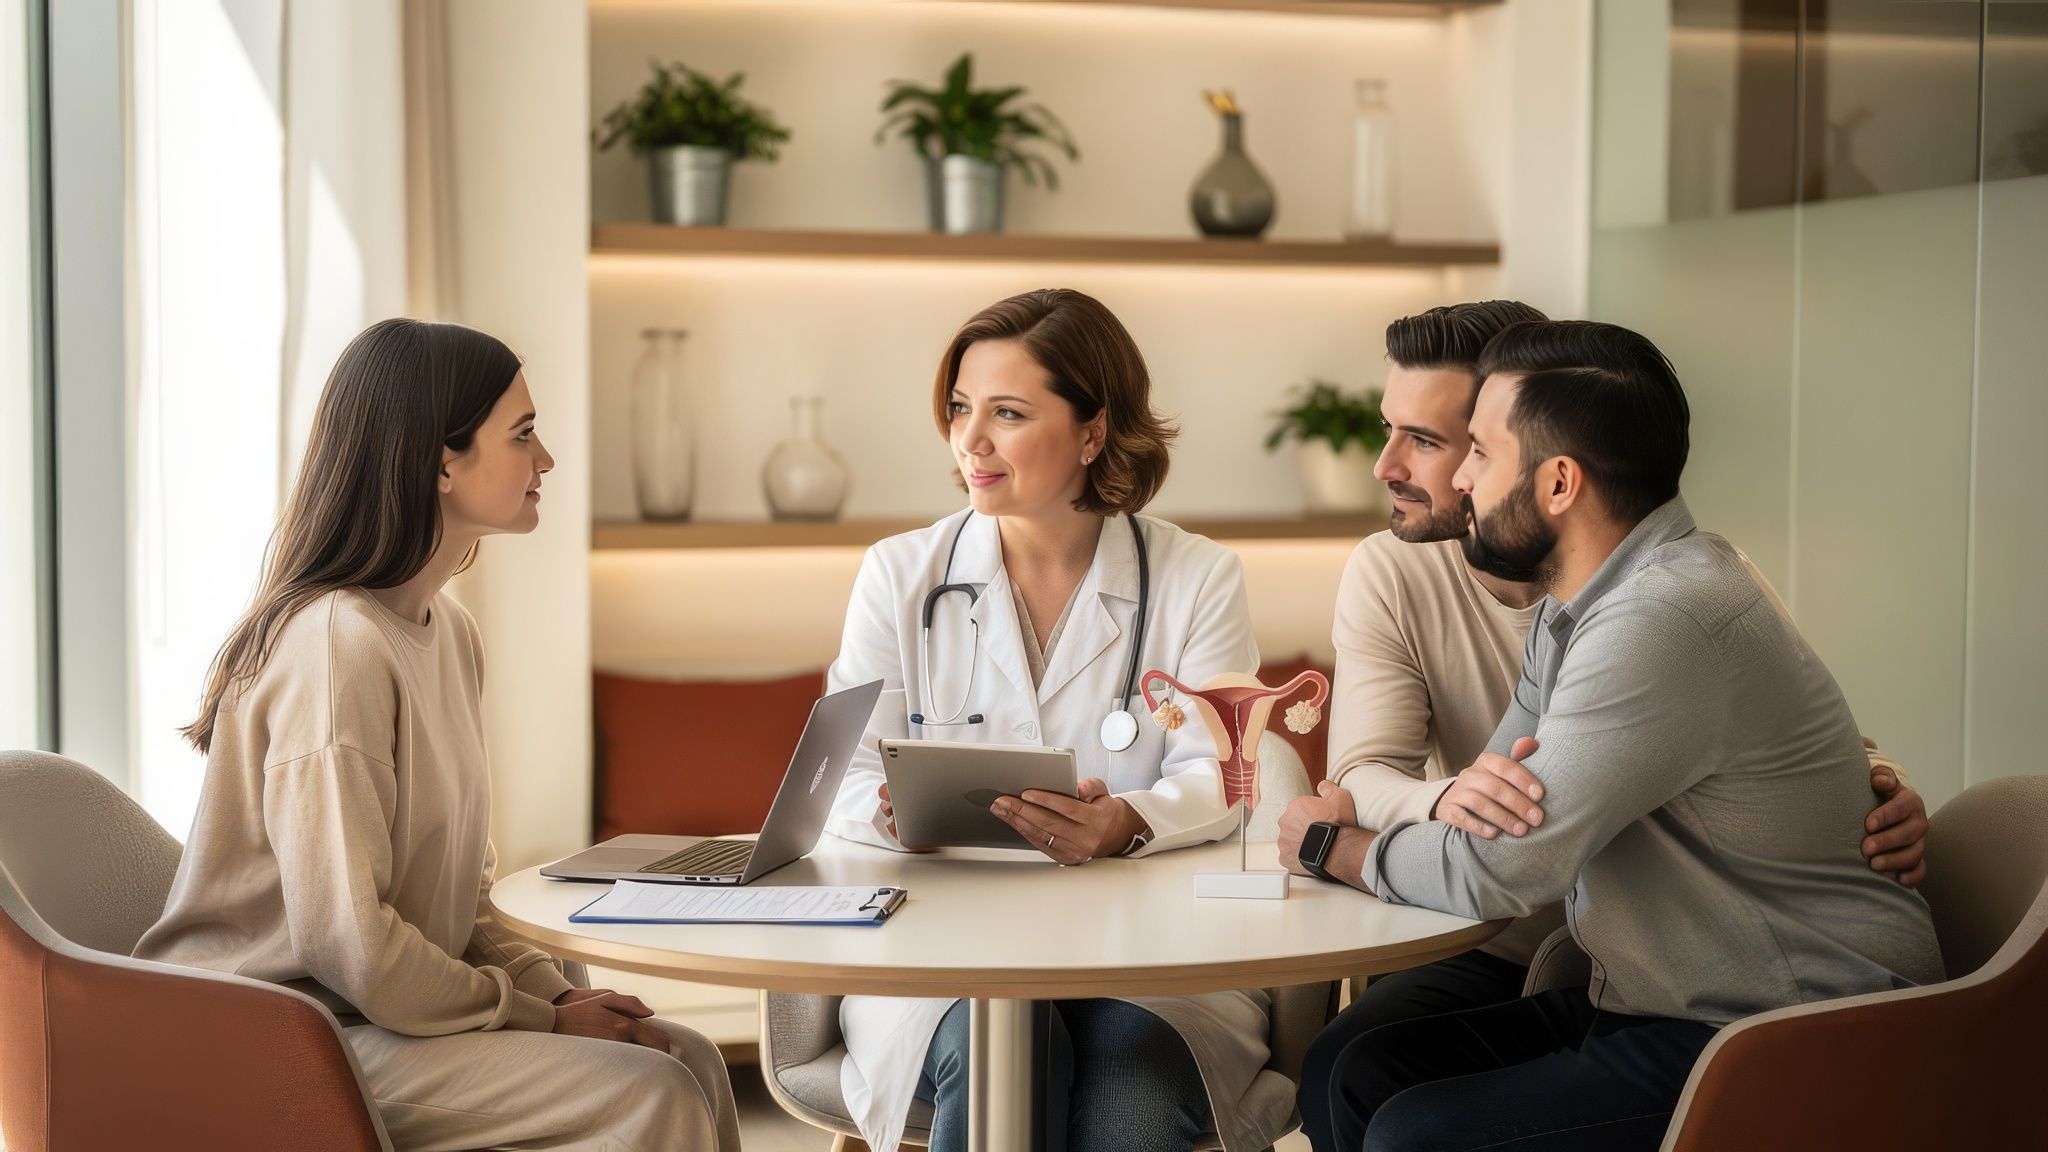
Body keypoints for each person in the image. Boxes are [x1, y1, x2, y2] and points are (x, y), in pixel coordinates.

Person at [1277, 302, 1931, 1152]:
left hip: (1794, 1025)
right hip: (1656, 994)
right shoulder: (1577, 608)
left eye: (1476, 451)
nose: (1462, 481)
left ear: (1557, 483)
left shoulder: (1662, 615)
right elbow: (1492, 804)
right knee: (1353, 1070)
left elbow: (1499, 860)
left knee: (1419, 1132)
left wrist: (1337, 848)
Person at [134, 319, 740, 1151]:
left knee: (688, 1055)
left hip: (372, 1016)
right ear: (439, 461)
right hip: (280, 1038)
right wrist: (538, 1016)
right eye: (523, 435)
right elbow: (351, 947)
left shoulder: (447, 633)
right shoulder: (335, 649)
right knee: (651, 1091)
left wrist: (555, 999)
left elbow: (457, 901)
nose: (547, 461)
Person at [822, 289, 1289, 1152]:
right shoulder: (900, 574)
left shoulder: (1196, 578)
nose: (971, 440)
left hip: (1150, 958)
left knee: (1133, 1105)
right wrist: (890, 815)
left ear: (1092, 430)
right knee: (1005, 1057)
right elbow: (842, 778)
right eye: (961, 409)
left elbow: (1223, 777)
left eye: (1007, 413)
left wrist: (1127, 821)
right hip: (946, 949)